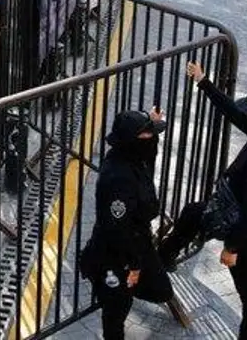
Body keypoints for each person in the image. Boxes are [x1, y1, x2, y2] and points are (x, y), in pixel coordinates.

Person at [158, 62, 247, 340]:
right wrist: (203, 82)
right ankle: (164, 257)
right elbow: (235, 114)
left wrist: (231, 248)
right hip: (232, 216)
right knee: (192, 213)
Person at [79, 109, 174, 340]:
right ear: (131, 142)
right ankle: (106, 285)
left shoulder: (134, 158)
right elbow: (117, 229)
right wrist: (133, 266)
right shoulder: (118, 178)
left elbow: (150, 152)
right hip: (116, 253)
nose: (152, 140)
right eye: (147, 135)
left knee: (161, 289)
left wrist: (152, 125)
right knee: (116, 311)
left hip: (137, 240)